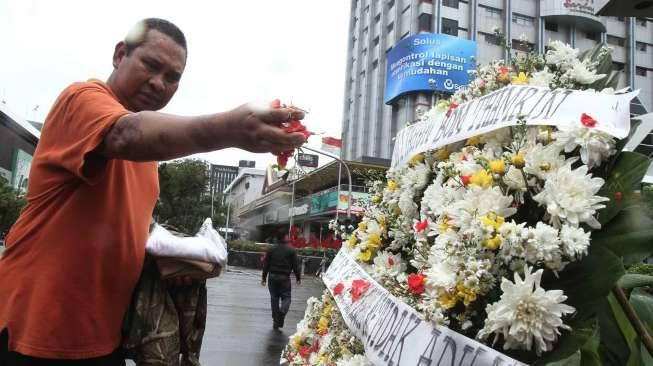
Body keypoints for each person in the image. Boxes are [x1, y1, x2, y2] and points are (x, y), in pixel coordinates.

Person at [0, 18, 306, 366]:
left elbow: (119, 232)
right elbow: (125, 134)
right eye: (151, 65)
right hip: (35, 334)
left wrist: (174, 258)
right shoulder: (82, 100)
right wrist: (230, 129)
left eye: (172, 77)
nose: (160, 83)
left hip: (103, 339)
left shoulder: (147, 161)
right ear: (120, 55)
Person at [261, 241, 301, 330]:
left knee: (274, 299)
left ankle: (276, 320)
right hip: (285, 278)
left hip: (272, 277)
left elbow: (266, 264)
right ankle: (282, 311)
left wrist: (264, 277)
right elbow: (295, 265)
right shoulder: (291, 250)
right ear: (285, 238)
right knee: (287, 297)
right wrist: (298, 277)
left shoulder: (271, 249)